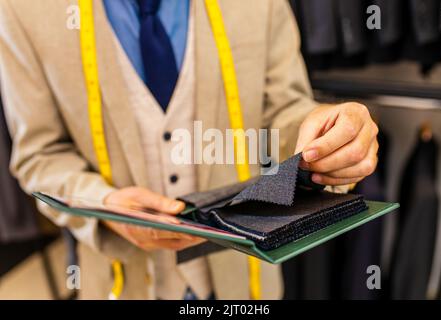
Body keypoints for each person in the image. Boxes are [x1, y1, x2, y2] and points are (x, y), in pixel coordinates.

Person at [0, 0, 378, 300]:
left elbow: (282, 112)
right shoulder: (22, 8)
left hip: (242, 280)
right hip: (119, 283)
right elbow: (40, 153)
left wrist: (330, 134)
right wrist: (103, 202)